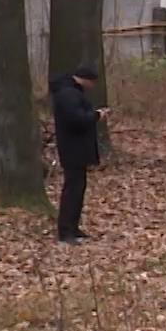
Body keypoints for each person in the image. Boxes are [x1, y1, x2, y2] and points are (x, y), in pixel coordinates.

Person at [49, 64, 107, 244]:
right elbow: (77, 120)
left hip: (75, 148)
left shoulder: (70, 92)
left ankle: (72, 228)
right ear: (87, 80)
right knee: (72, 190)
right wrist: (96, 116)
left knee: (77, 189)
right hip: (72, 149)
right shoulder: (69, 94)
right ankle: (66, 231)